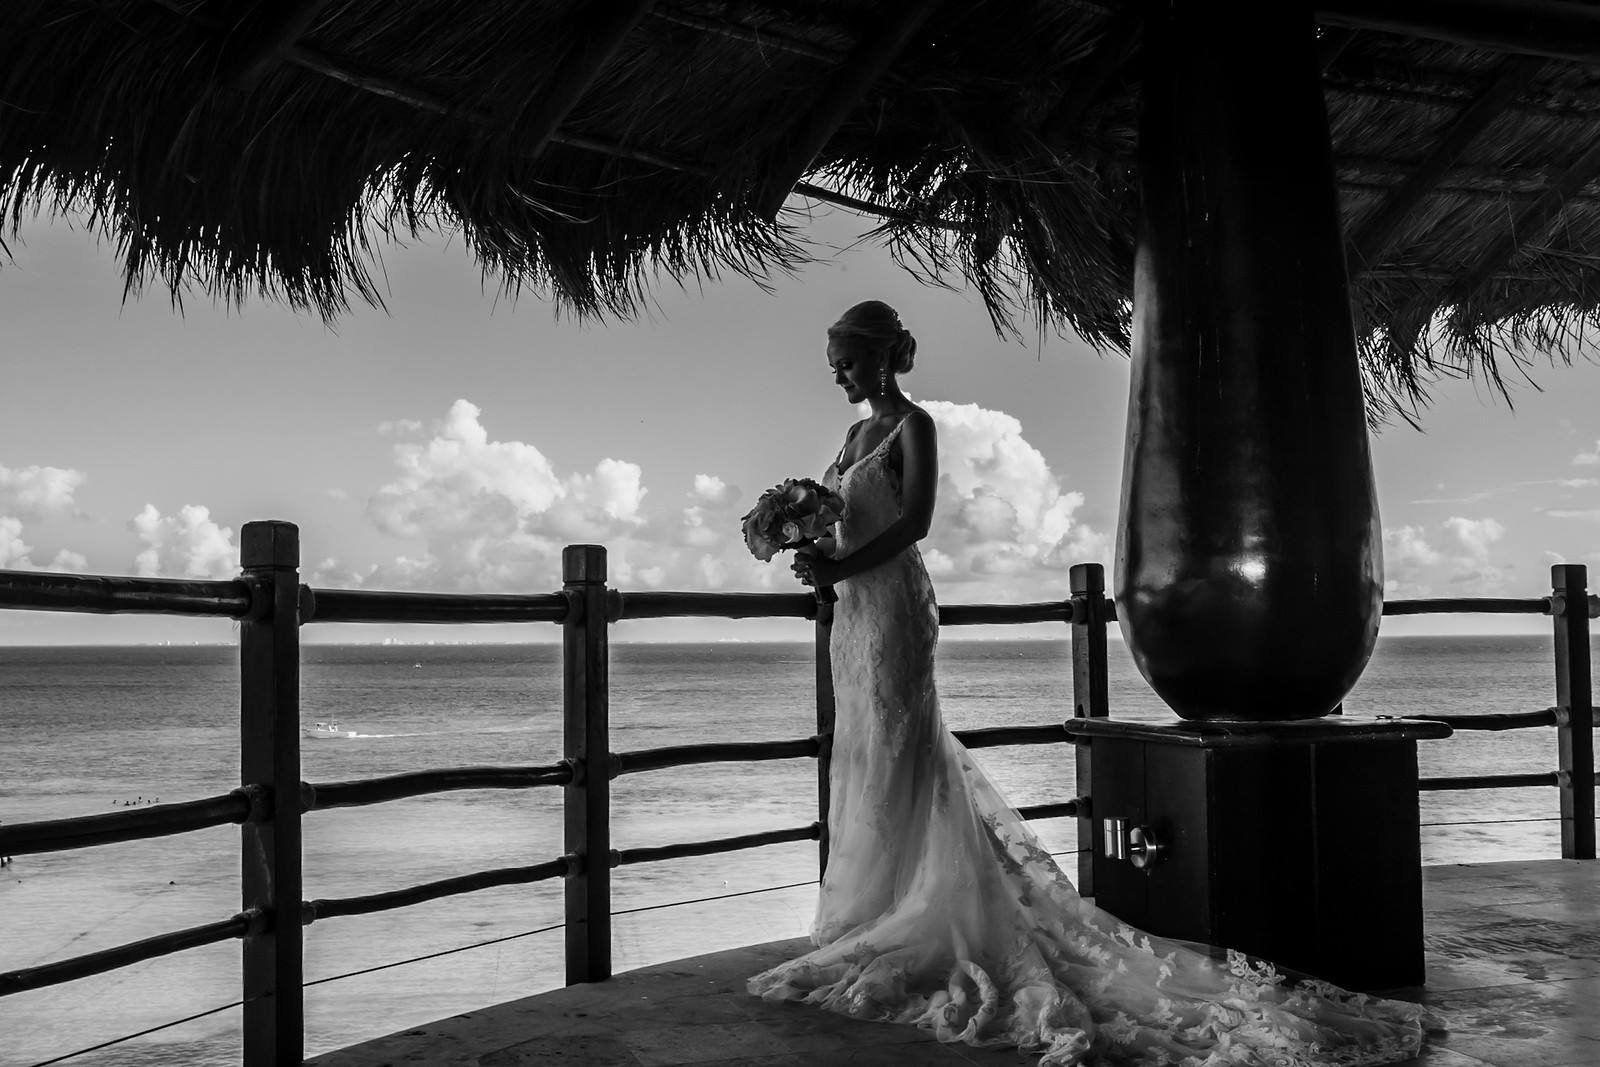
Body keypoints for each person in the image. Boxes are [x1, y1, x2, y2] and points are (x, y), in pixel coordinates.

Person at [748, 300, 1436, 1065]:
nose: (840, 375)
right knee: (865, 749)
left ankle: (921, 907)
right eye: (834, 365)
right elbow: (845, 517)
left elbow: (914, 523)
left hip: (892, 608)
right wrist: (817, 552)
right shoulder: (851, 438)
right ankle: (877, 904)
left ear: (883, 356)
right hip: (852, 612)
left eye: (847, 361)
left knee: (901, 740)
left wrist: (840, 563)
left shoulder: (915, 427)